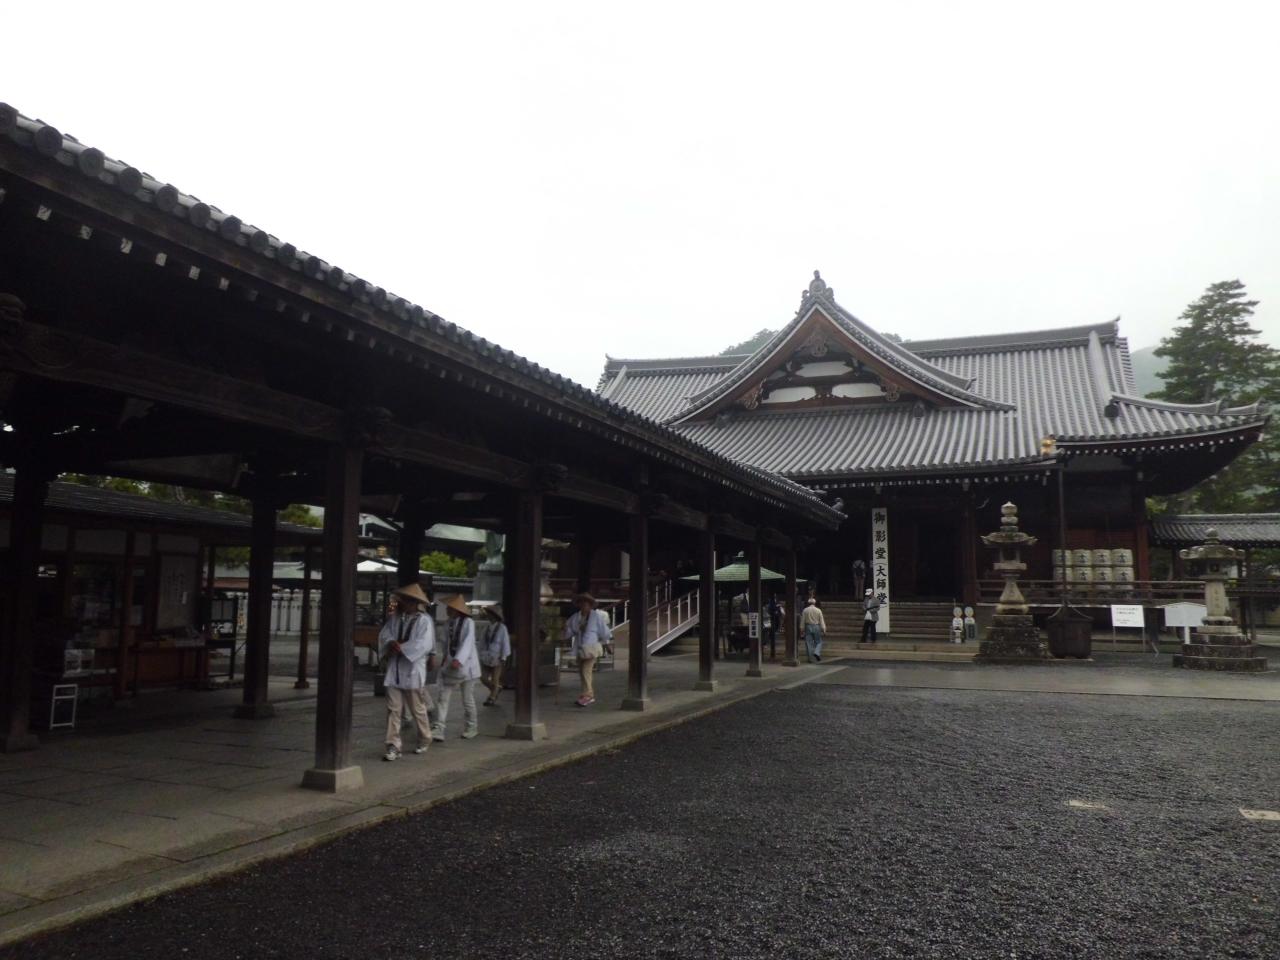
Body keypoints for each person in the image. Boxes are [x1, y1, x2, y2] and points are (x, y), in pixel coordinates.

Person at [377, 583, 435, 761]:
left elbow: (424, 644)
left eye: (408, 601)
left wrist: (402, 648)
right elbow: (384, 634)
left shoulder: (424, 620)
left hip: (412, 669)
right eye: (403, 600)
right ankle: (393, 745)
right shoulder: (395, 618)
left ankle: (425, 738)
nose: (404, 603)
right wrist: (390, 643)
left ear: (415, 603)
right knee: (393, 709)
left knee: (417, 709)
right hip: (395, 668)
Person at [433, 595, 481, 740]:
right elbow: (445, 643)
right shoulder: (448, 624)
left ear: (456, 609)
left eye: (449, 607)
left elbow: (468, 642)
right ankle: (439, 728)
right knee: (443, 696)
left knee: (467, 699)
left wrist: (459, 659)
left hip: (468, 666)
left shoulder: (468, 622)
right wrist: (445, 659)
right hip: (450, 664)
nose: (447, 610)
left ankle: (472, 727)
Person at [563, 592, 612, 707]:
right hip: (580, 647)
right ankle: (585, 693)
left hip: (591, 647)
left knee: (586, 670)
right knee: (582, 671)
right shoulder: (576, 617)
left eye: (586, 603)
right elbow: (570, 630)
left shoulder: (596, 616)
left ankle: (588, 695)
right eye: (581, 603)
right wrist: (565, 630)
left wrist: (607, 644)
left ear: (590, 605)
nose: (583, 606)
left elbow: (604, 632)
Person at [479, 604, 510, 706]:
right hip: (486, 656)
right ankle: (496, 689)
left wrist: (504, 657)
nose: (488, 615)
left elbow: (505, 643)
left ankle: (492, 697)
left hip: (497, 657)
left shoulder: (502, 628)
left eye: (490, 614)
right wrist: (480, 655)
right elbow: (481, 643)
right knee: (482, 678)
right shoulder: (486, 628)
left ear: (495, 616)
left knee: (495, 679)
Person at [800, 597, 826, 662]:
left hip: (808, 626)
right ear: (815, 603)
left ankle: (810, 658)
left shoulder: (805, 610)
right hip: (816, 626)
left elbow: (802, 620)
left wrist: (801, 629)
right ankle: (816, 652)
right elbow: (821, 620)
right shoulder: (818, 610)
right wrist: (823, 629)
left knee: (809, 643)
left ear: (808, 603)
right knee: (819, 641)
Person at [766, 594, 781, 660]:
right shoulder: (770, 602)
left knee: (775, 627)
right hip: (772, 617)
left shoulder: (776, 601)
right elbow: (770, 609)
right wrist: (776, 607)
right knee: (772, 629)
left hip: (776, 616)